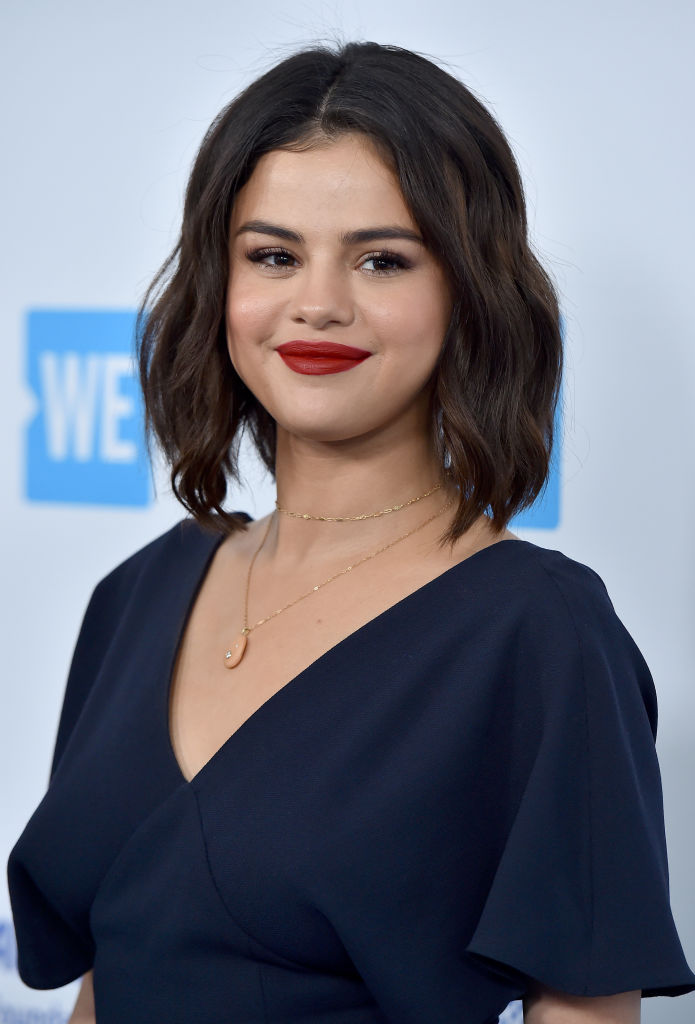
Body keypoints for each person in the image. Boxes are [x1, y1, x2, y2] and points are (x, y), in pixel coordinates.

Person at [7, 40, 695, 1024]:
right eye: (272, 255)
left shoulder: (538, 630)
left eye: (381, 258)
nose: (318, 302)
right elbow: (105, 981)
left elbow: (581, 1009)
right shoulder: (135, 595)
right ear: (220, 287)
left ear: (466, 290)